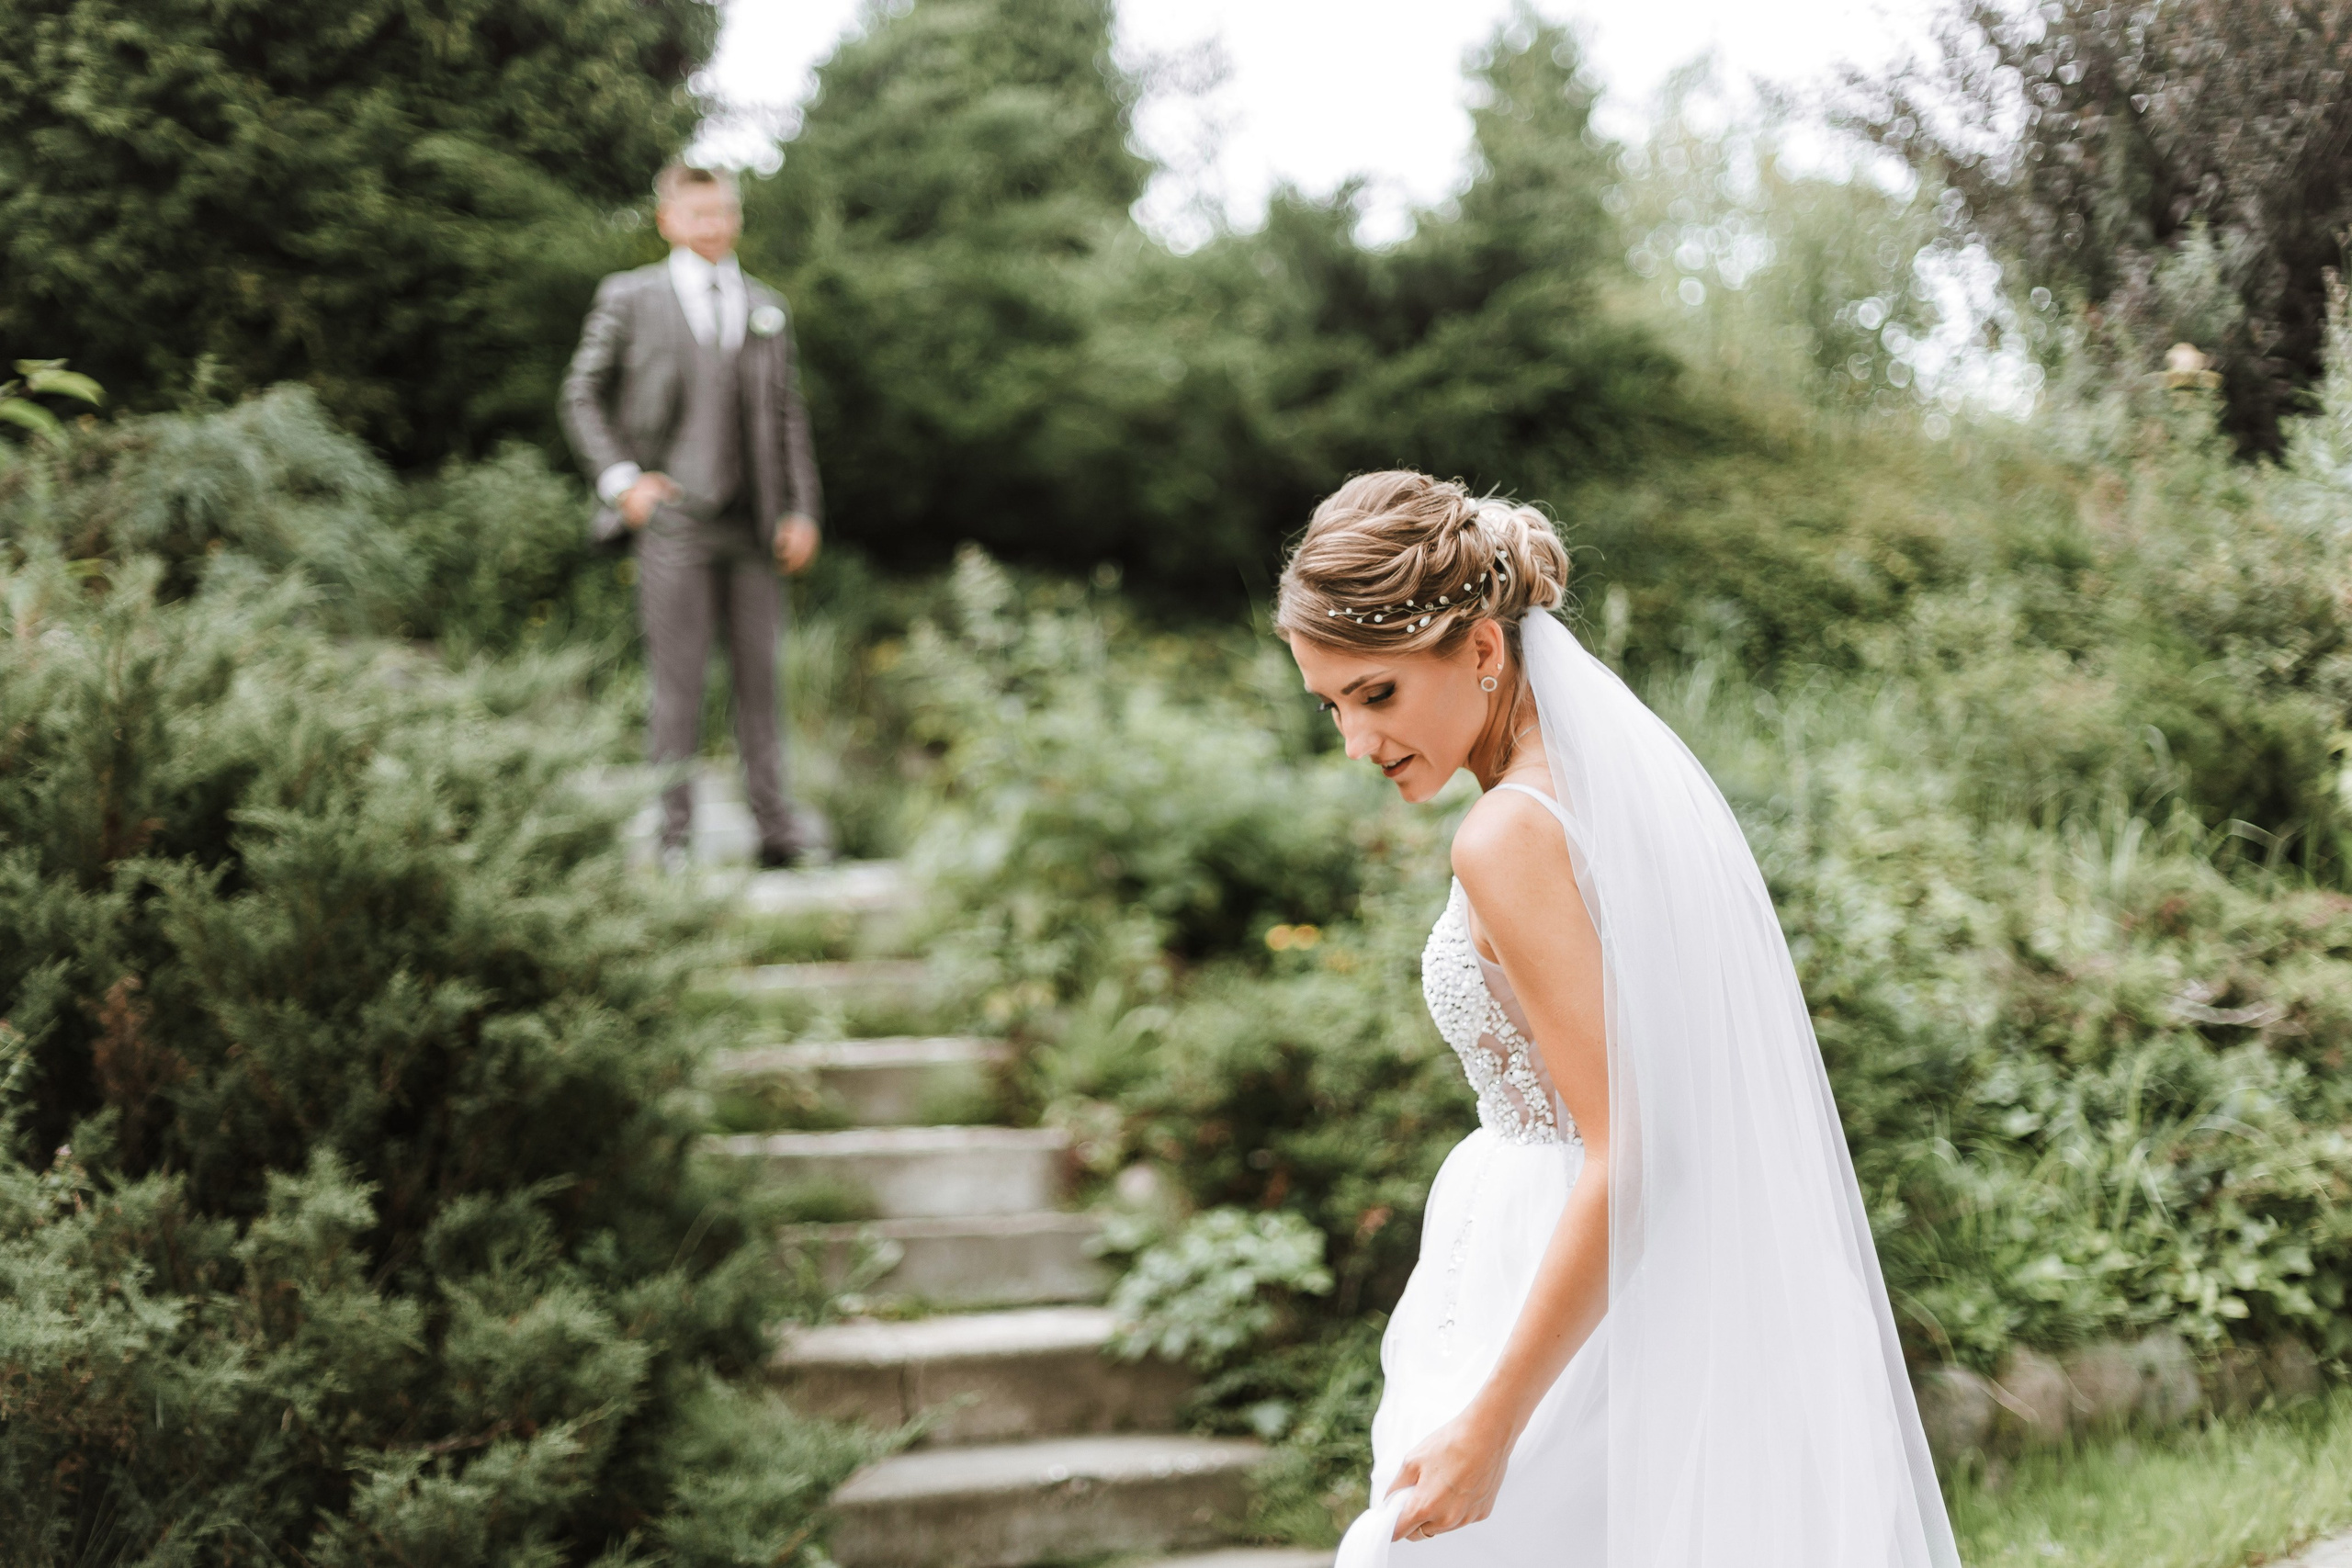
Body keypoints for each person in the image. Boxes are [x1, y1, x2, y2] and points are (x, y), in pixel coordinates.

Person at [1277, 471, 1959, 1567]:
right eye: (1332, 706)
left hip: (1569, 1286)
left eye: (1377, 693)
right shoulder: (1596, 795)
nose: (1356, 740)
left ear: (1481, 650)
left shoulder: (1506, 834)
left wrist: (1492, 1427)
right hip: (1656, 1271)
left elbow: (1632, 1145)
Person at [560, 162, 823, 870]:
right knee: (677, 683)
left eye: (726, 212)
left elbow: (787, 414)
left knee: (762, 681)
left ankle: (778, 831)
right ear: (668, 220)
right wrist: (622, 482)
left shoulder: (766, 305)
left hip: (755, 525)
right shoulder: (630, 296)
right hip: (673, 520)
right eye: (700, 213)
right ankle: (672, 837)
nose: (715, 225)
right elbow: (580, 393)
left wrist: (801, 509)